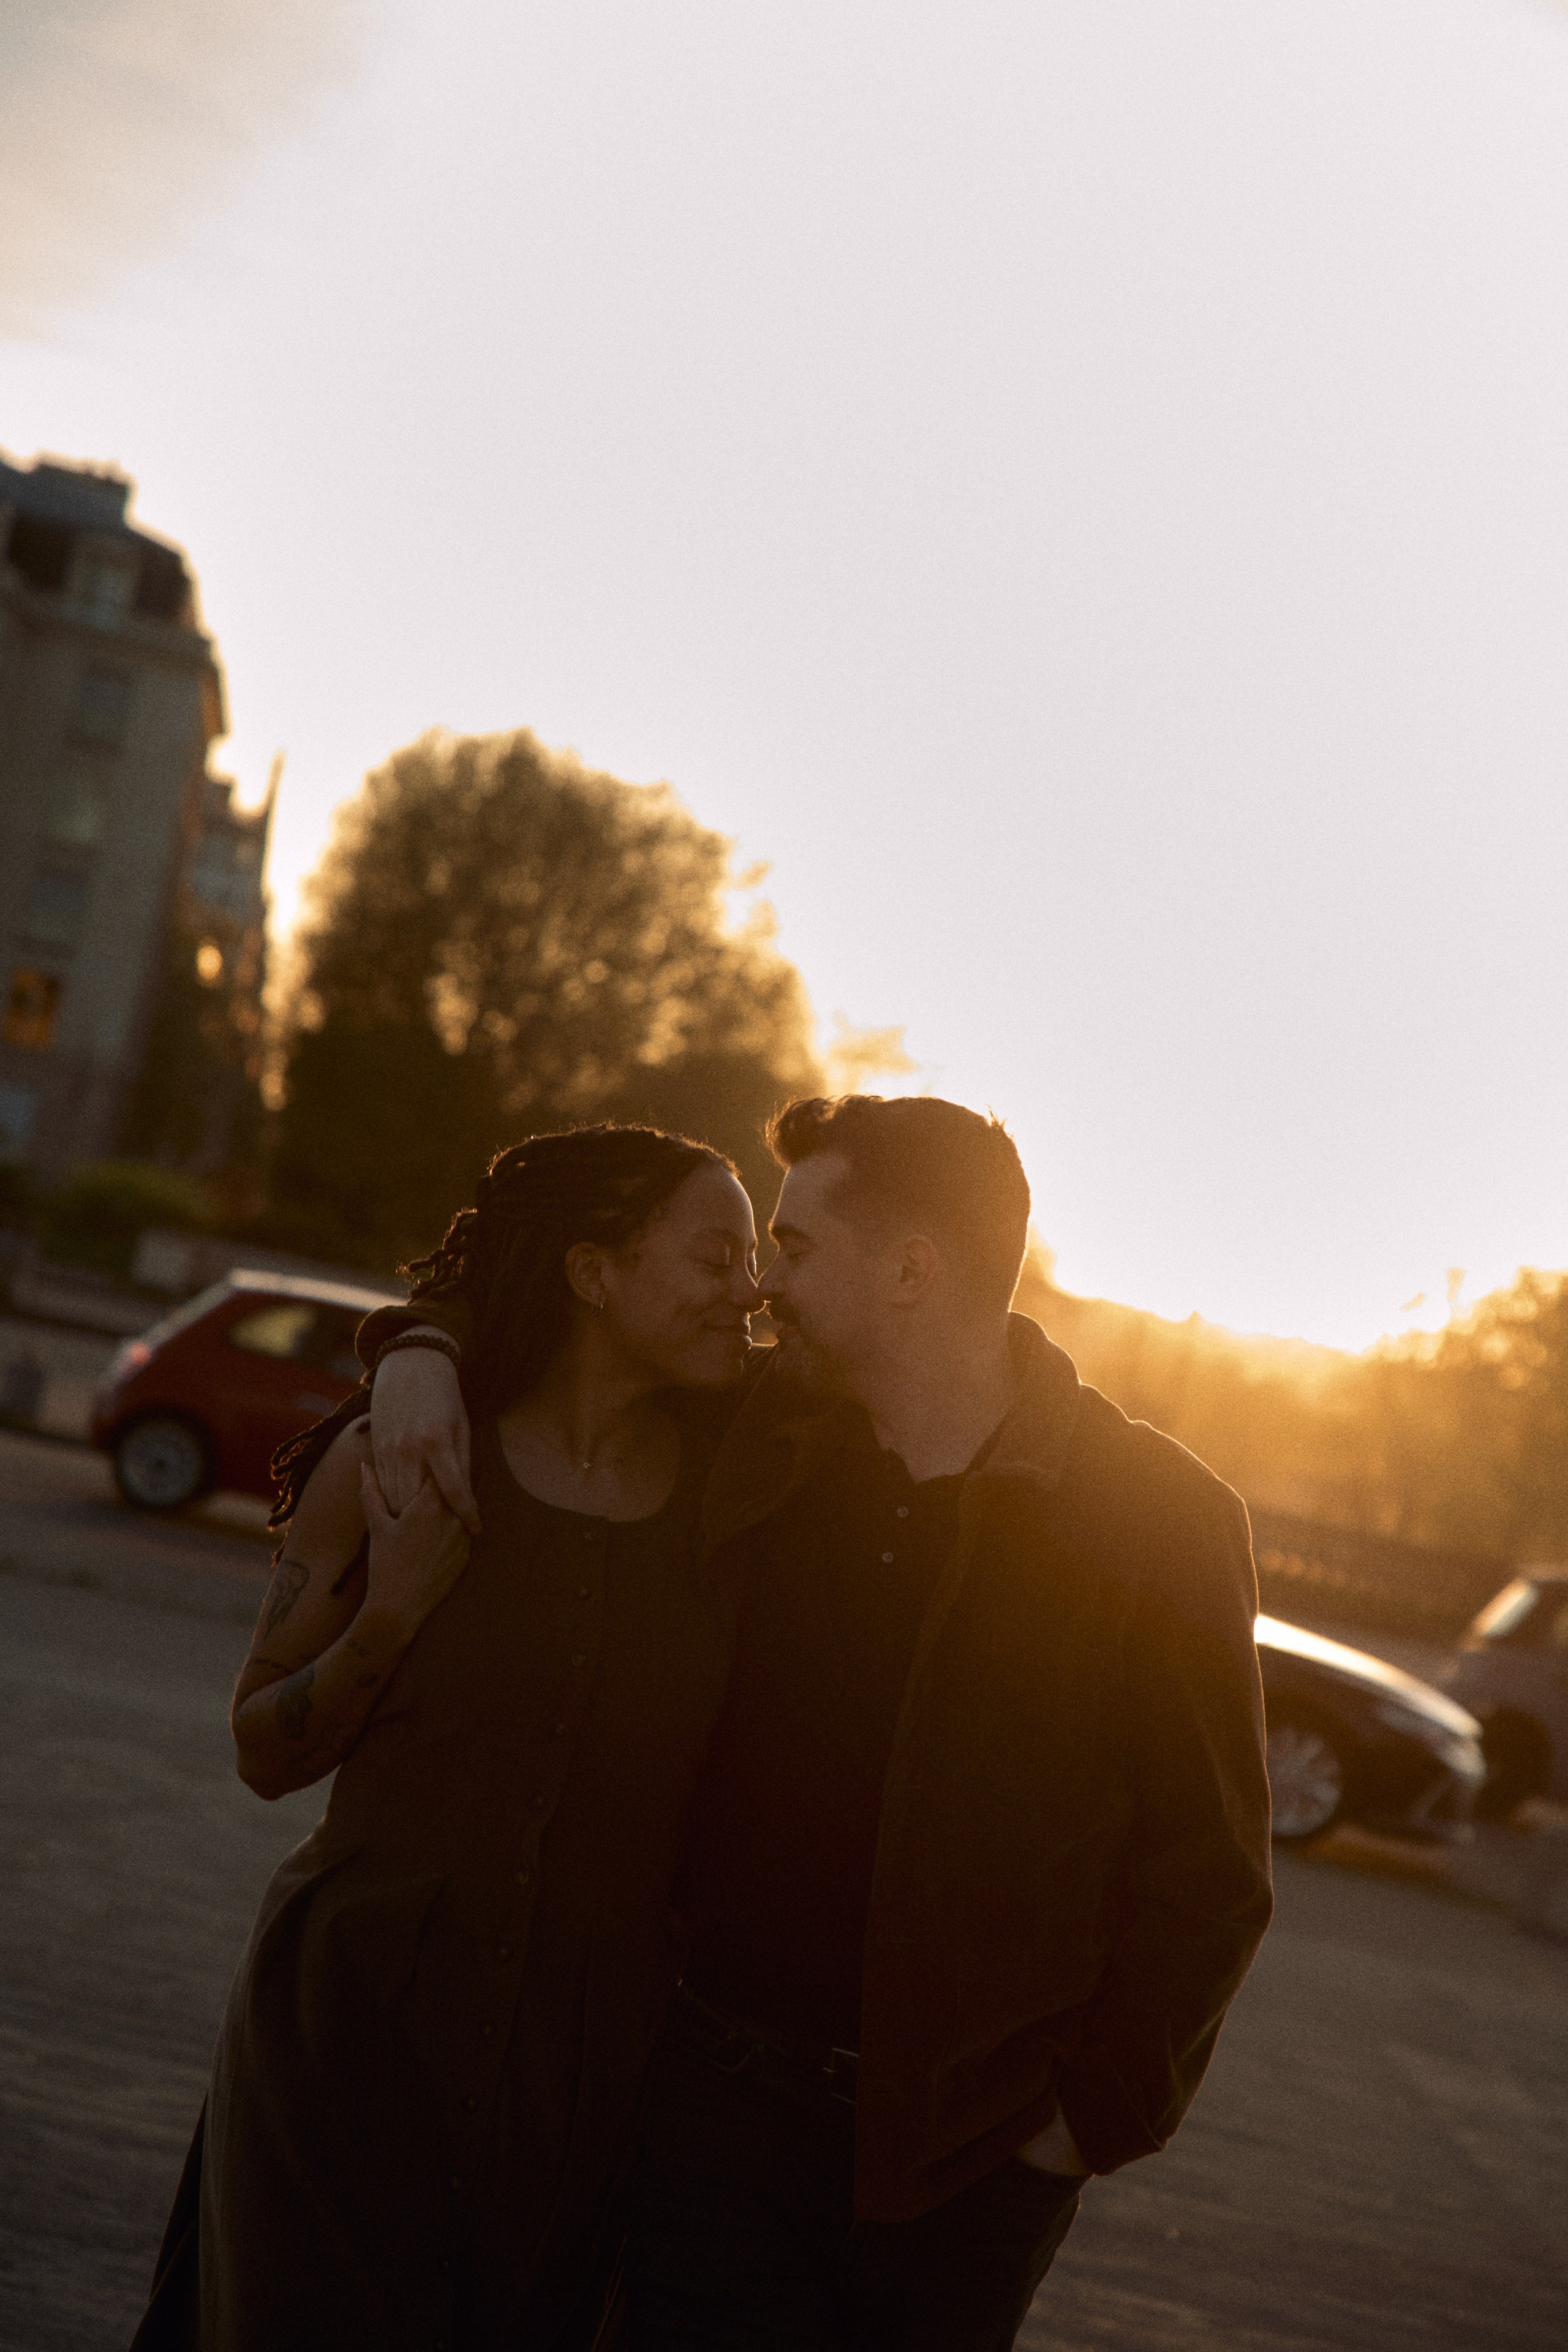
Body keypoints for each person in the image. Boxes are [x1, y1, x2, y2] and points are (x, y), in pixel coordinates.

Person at [361, 1093, 1275, 2352]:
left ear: (908, 1270)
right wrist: (421, 1347)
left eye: (791, 1250)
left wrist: (1085, 2125)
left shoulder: (1159, 1516)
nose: (757, 1287)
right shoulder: (758, 1429)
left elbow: (1209, 1866)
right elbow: (568, 1319)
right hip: (709, 2103)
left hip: (966, 2153)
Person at [130, 1124, 763, 2352]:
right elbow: (264, 1750)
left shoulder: (743, 1503)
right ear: (595, 1272)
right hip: (347, 2026)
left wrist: (415, 1338)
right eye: (715, 1254)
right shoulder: (399, 1459)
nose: (750, 1290)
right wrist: (396, 1615)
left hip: (584, 2074)